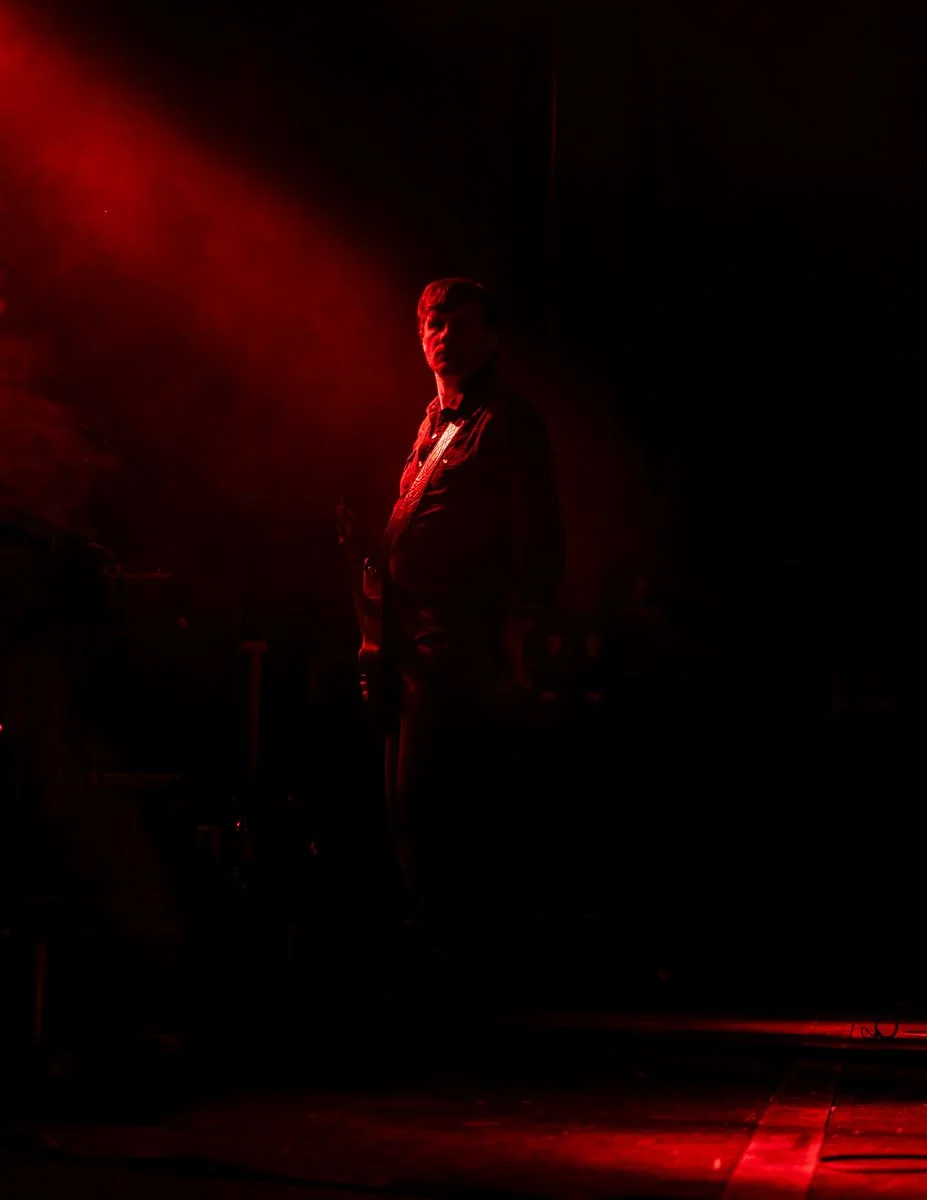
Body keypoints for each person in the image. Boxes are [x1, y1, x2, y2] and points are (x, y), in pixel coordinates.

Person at [375, 276, 564, 982]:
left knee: (441, 810)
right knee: (405, 809)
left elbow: (538, 535)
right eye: (434, 322)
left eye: (460, 324)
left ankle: (464, 972)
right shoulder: (434, 422)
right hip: (412, 646)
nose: (444, 336)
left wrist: (519, 632)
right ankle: (441, 963)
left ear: (491, 338)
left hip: (463, 646)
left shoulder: (508, 421)